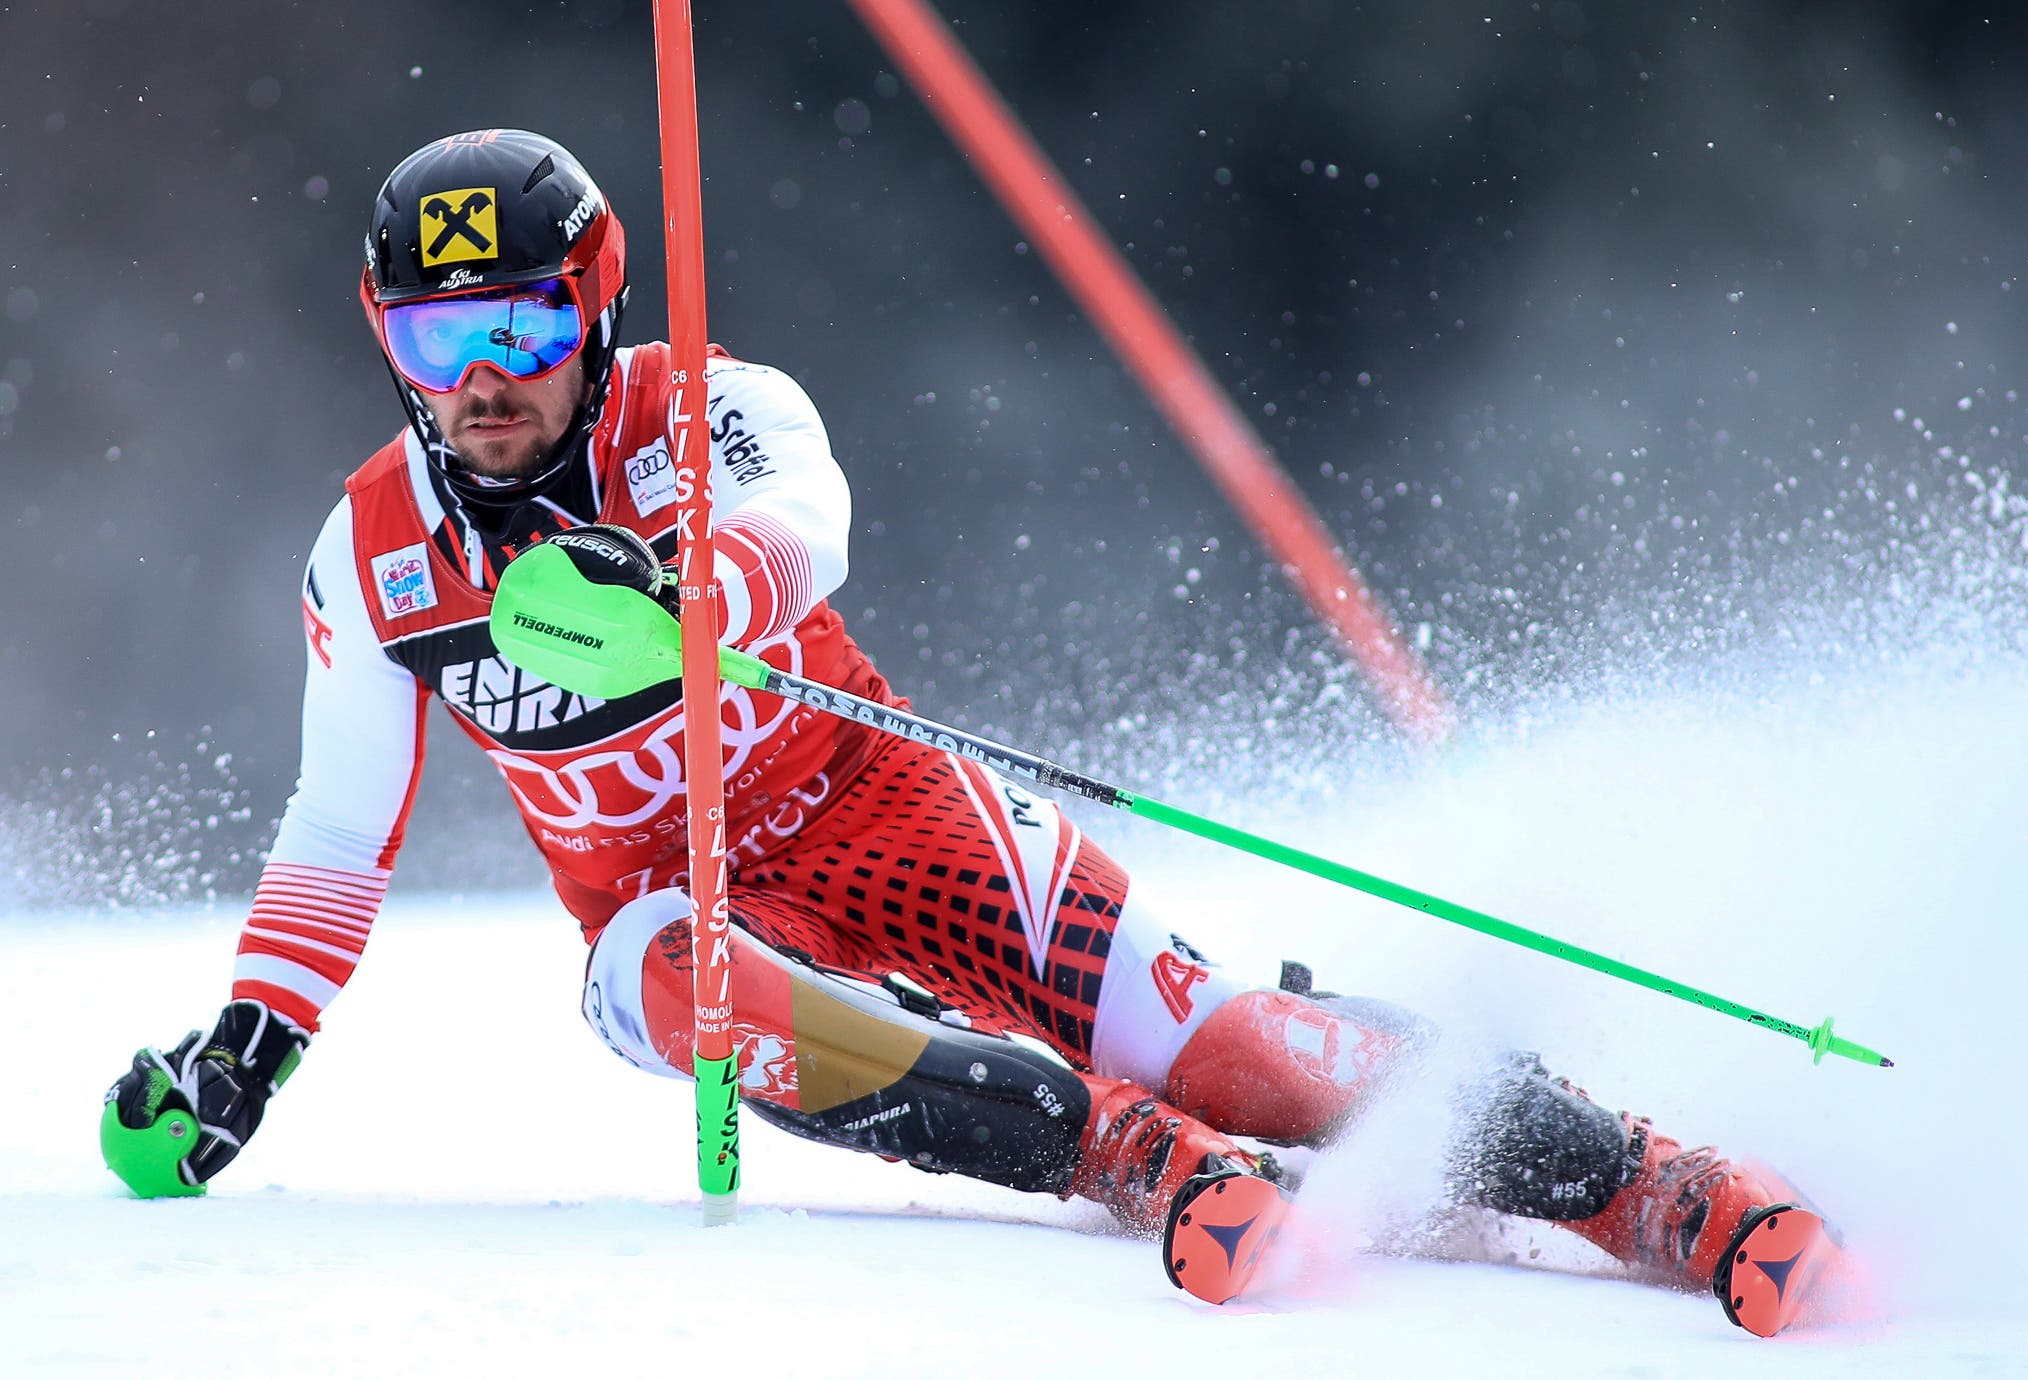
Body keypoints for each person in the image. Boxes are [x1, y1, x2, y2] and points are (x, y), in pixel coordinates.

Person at [104, 129, 1839, 1335]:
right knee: (669, 992)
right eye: (435, 332)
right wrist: (250, 1058)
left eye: (521, 323)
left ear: (596, 301)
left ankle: (1641, 1184)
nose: (483, 379)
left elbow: (808, 530)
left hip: (879, 796)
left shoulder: (709, 405)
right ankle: (1122, 1157)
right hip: (681, 894)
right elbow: (338, 838)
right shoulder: (376, 549)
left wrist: (687, 578)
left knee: (1233, 1053)